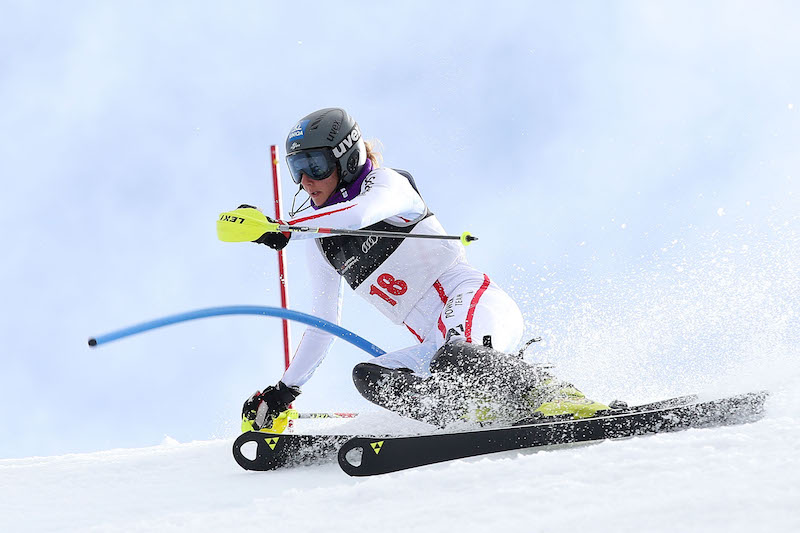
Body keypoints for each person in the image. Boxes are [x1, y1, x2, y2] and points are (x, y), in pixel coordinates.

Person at [238, 107, 608, 433]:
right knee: (368, 376)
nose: (306, 180)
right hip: (433, 345)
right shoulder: (321, 239)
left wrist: (288, 228)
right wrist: (284, 391)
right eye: (297, 169)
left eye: (314, 166)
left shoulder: (386, 185)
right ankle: (469, 414)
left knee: (454, 355)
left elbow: (363, 214)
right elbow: (323, 324)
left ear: (345, 159)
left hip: (474, 307)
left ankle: (554, 394)